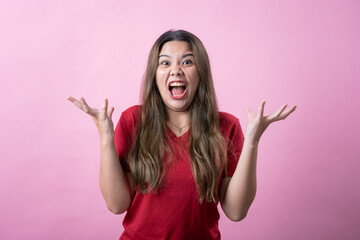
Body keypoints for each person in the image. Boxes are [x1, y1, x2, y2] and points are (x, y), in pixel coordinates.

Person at [67, 29, 296, 240]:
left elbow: (236, 212)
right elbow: (117, 205)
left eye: (187, 62)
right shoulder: (133, 121)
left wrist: (252, 143)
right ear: (155, 76)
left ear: (201, 73)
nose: (176, 69)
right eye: (165, 63)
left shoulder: (227, 126)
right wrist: (105, 136)